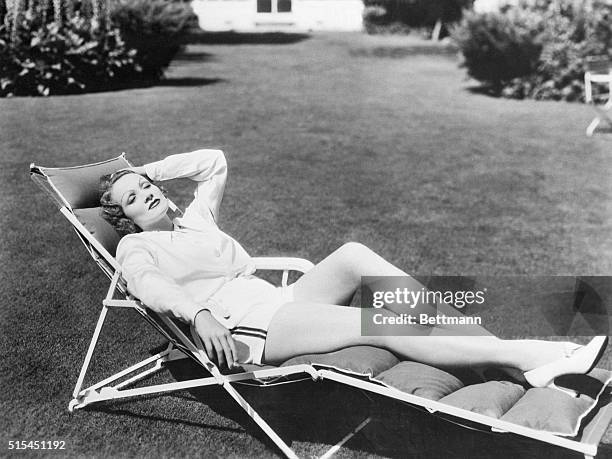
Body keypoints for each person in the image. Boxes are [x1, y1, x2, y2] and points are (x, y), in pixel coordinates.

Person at [99, 148, 608, 389]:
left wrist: (147, 168)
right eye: (135, 197)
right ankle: (529, 354)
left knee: (355, 254)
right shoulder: (138, 250)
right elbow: (150, 289)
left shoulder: (195, 222)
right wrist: (199, 316)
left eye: (146, 186)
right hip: (246, 326)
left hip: (279, 300)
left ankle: (481, 340)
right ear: (127, 219)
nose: (147, 193)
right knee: (382, 322)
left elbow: (214, 162)